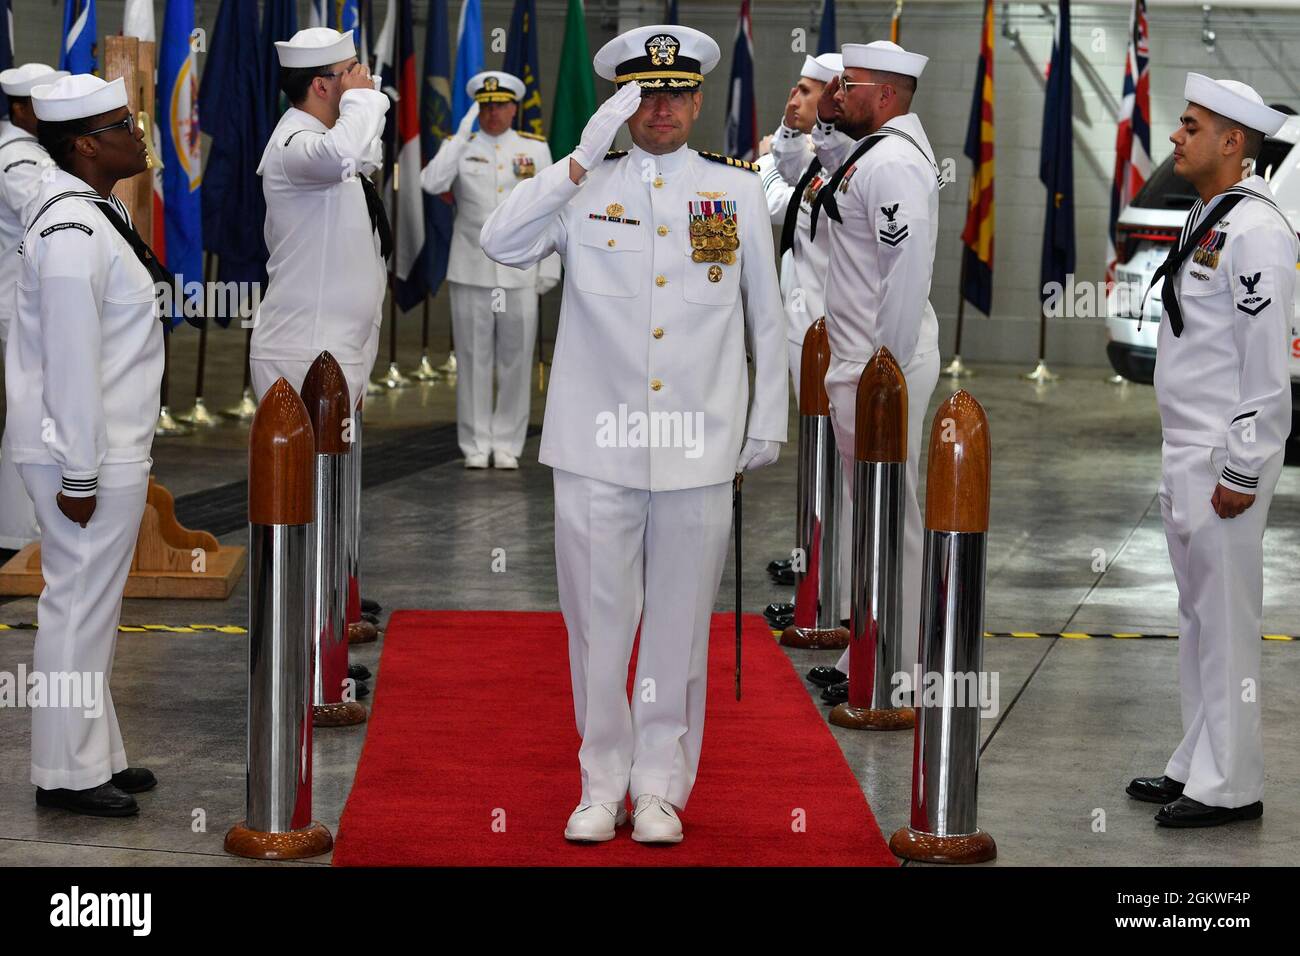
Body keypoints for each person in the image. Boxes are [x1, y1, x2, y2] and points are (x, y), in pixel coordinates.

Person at [481, 24, 787, 845]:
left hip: (698, 443)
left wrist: (767, 419)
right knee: (598, 624)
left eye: (678, 93)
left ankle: (659, 786)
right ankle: (599, 781)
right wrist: (576, 159)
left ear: (698, 100)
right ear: (624, 101)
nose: (664, 109)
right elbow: (498, 240)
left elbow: (768, 315)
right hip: (593, 445)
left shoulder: (738, 193)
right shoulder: (584, 186)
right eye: (647, 95)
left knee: (680, 625)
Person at [1127, 74, 1296, 829]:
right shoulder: (1212, 213)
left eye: (1190, 127)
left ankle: (1232, 785)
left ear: (1233, 142)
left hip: (1223, 458)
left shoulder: (1257, 229)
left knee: (1226, 628)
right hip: (1185, 450)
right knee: (1198, 620)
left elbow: (1268, 365)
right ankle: (1196, 761)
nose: (1175, 137)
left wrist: (1242, 466)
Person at [6, 73, 169, 816]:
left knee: (94, 607)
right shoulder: (70, 231)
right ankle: (64, 775)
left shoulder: (89, 214)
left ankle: (94, 753)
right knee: (75, 606)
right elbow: (70, 362)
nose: (138, 135)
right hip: (82, 453)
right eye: (124, 126)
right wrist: (79, 471)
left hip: (105, 447)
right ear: (85, 145)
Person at [804, 41, 942, 705]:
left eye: (849, 84)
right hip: (861, 364)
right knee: (873, 521)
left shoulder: (892, 165)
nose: (836, 93)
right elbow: (825, 167)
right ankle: (876, 653)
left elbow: (905, 274)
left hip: (881, 366)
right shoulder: (872, 154)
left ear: (885, 96)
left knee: (894, 520)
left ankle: (903, 671)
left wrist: (883, 372)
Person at [420, 71, 559, 470]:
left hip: (519, 272)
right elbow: (430, 183)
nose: (493, 112)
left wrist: (548, 267)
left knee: (516, 362)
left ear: (514, 107)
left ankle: (508, 444)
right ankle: (476, 443)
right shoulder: (460, 146)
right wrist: (460, 134)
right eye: (485, 105)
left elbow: (549, 208)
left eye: (500, 105)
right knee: (473, 359)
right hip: (471, 271)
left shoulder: (534, 149)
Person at [250, 26, 389, 408]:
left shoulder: (323, 142)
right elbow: (347, 151)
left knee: (338, 469)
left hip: (337, 347)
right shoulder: (293, 145)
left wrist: (359, 97)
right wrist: (362, 99)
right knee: (305, 469)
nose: (365, 78)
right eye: (352, 71)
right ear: (322, 86)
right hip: (303, 350)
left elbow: (363, 150)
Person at [0, 63, 66, 552]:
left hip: (28, 302)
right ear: (21, 109)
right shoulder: (18, 160)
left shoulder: (30, 151)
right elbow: (46, 213)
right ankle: (18, 535)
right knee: (30, 417)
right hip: (18, 305)